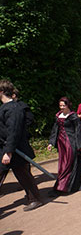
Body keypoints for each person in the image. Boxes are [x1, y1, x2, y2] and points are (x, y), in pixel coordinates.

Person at [0, 79, 42, 211]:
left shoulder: (14, 108)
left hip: (14, 149)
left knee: (23, 175)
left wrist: (8, 152)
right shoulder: (4, 108)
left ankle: (35, 199)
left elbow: (13, 131)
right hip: (5, 148)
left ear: (1, 92)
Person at [47, 97, 81, 196]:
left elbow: (79, 131)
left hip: (71, 143)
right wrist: (51, 143)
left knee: (67, 164)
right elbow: (55, 130)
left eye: (63, 105)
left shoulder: (73, 116)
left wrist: (80, 146)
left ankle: (61, 187)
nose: (61, 107)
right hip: (61, 144)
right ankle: (75, 184)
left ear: (68, 105)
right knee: (63, 164)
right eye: (60, 105)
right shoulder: (58, 115)